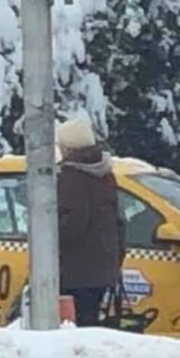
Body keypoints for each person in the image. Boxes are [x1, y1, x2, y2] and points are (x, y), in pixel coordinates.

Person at [56, 118, 126, 327]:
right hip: (101, 268)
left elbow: (72, 223)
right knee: (90, 320)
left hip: (75, 270)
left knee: (71, 327)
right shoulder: (104, 174)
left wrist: (49, 245)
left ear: (68, 147)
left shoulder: (72, 178)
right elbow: (119, 221)